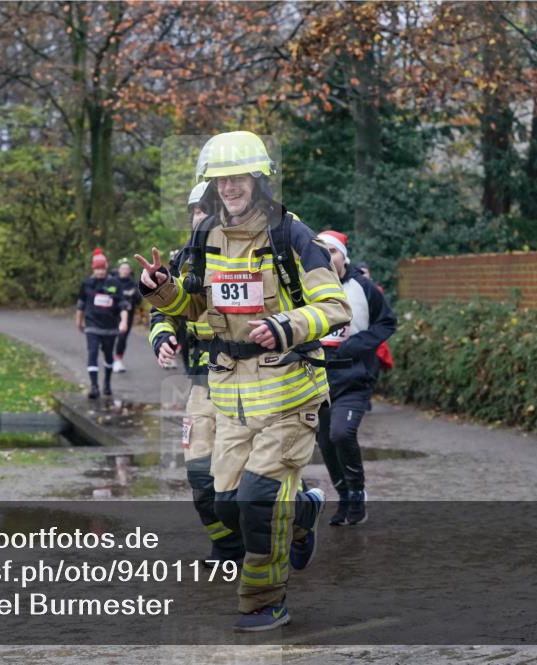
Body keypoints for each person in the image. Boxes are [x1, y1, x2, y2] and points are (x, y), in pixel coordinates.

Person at [137, 131, 351, 631]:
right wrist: (163, 291)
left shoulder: (292, 235)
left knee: (257, 502)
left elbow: (335, 308)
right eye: (221, 178)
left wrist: (285, 326)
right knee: (228, 506)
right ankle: (302, 513)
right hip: (230, 393)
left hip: (289, 391)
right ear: (210, 185)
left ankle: (263, 601)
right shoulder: (204, 237)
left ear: (258, 178)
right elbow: (194, 308)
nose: (230, 186)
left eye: (239, 176)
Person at [149, 180, 245, 565]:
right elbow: (164, 311)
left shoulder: (245, 254)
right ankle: (226, 544)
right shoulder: (183, 258)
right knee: (200, 475)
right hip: (203, 381)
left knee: (248, 472)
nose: (199, 217)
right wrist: (162, 340)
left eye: (206, 210)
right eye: (195, 211)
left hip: (250, 377)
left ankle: (299, 508)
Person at [315, 231, 396, 526]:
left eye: (332, 252)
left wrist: (356, 344)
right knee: (324, 441)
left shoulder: (363, 287)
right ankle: (344, 496)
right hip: (317, 380)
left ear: (342, 257)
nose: (327, 257)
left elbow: (388, 322)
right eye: (321, 252)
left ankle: (357, 492)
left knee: (341, 434)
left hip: (353, 378)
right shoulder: (307, 288)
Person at [76, 249, 129, 399]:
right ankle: (94, 386)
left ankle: (106, 383)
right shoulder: (87, 284)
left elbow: (123, 305)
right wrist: (79, 322)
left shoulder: (114, 283)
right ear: (93, 269)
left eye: (102, 268)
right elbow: (80, 305)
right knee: (92, 353)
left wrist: (124, 322)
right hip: (92, 325)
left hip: (110, 327)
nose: (100, 272)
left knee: (108, 356)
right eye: (97, 269)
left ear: (106, 268)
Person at [112, 258, 141, 373]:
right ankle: (110, 358)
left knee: (122, 337)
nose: (124, 270)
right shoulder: (112, 281)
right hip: (112, 314)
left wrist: (133, 296)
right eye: (122, 268)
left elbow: (139, 301)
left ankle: (118, 360)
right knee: (110, 337)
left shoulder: (134, 284)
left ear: (130, 271)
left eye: (127, 269)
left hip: (128, 315)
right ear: (118, 270)